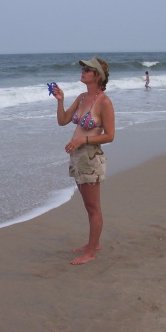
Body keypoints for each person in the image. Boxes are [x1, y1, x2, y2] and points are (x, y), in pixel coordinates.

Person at [52, 57, 115, 265]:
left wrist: (82, 140)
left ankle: (90, 251)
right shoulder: (81, 97)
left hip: (90, 156)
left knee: (93, 206)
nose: (83, 71)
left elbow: (110, 135)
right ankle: (92, 244)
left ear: (98, 75)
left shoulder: (104, 102)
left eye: (87, 69)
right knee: (89, 206)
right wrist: (60, 100)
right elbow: (63, 121)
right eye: (83, 68)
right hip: (78, 157)